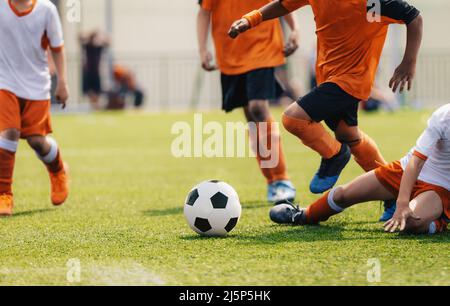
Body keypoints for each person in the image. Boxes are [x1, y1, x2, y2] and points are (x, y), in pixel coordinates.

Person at [229, 0, 423, 220]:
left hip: (351, 81)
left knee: (293, 119)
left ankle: (335, 155)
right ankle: (392, 192)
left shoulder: (370, 3)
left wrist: (409, 62)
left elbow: (414, 18)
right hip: (328, 77)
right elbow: (284, 5)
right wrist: (250, 19)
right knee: (348, 135)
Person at [270, 104, 450, 235]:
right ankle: (303, 215)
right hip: (404, 170)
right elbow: (415, 163)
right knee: (343, 195)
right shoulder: (444, 116)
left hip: (439, 188)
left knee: (409, 223)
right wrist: (401, 203)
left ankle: (440, 221)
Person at [197, 0, 302, 203]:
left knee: (258, 108)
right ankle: (272, 181)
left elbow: (284, 3)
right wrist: (202, 49)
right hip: (230, 52)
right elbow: (203, 12)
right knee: (251, 117)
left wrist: (295, 29)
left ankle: (282, 179)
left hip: (263, 47)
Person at [0, 0, 70, 216]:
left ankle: (58, 169)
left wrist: (63, 83)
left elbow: (57, 49)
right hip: (5, 83)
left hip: (36, 86)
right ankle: (4, 194)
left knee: (36, 141)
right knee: (8, 133)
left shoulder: (46, 10)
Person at [79, 31, 110, 110]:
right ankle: (93, 106)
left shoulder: (98, 47)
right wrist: (90, 35)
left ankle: (96, 106)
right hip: (88, 71)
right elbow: (79, 37)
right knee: (90, 92)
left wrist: (100, 37)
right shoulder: (87, 46)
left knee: (97, 92)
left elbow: (108, 41)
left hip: (96, 72)